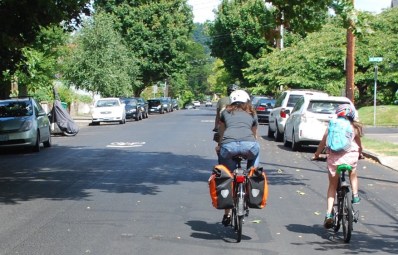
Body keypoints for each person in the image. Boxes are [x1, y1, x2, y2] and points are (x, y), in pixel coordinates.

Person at [313, 103, 363, 229]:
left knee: (332, 186)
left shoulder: (332, 124)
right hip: (350, 157)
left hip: (334, 160)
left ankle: (329, 214)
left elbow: (323, 142)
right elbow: (359, 145)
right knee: (353, 172)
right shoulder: (354, 127)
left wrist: (317, 154)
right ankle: (355, 196)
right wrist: (360, 153)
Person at [215, 89, 260, 226]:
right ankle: (253, 174)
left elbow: (221, 133)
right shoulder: (252, 113)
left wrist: (219, 146)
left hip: (229, 147)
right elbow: (254, 135)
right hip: (249, 146)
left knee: (227, 176)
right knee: (256, 152)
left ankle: (227, 213)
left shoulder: (225, 113)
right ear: (247, 101)